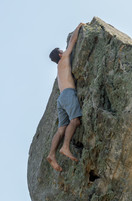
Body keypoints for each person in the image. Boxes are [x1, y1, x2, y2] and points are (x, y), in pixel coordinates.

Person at [46, 23, 85, 172]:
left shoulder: (58, 68)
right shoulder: (64, 60)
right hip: (68, 94)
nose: (64, 50)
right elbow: (72, 42)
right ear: (60, 55)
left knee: (61, 129)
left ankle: (51, 154)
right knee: (75, 121)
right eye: (61, 51)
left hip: (61, 98)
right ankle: (65, 147)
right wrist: (79, 27)